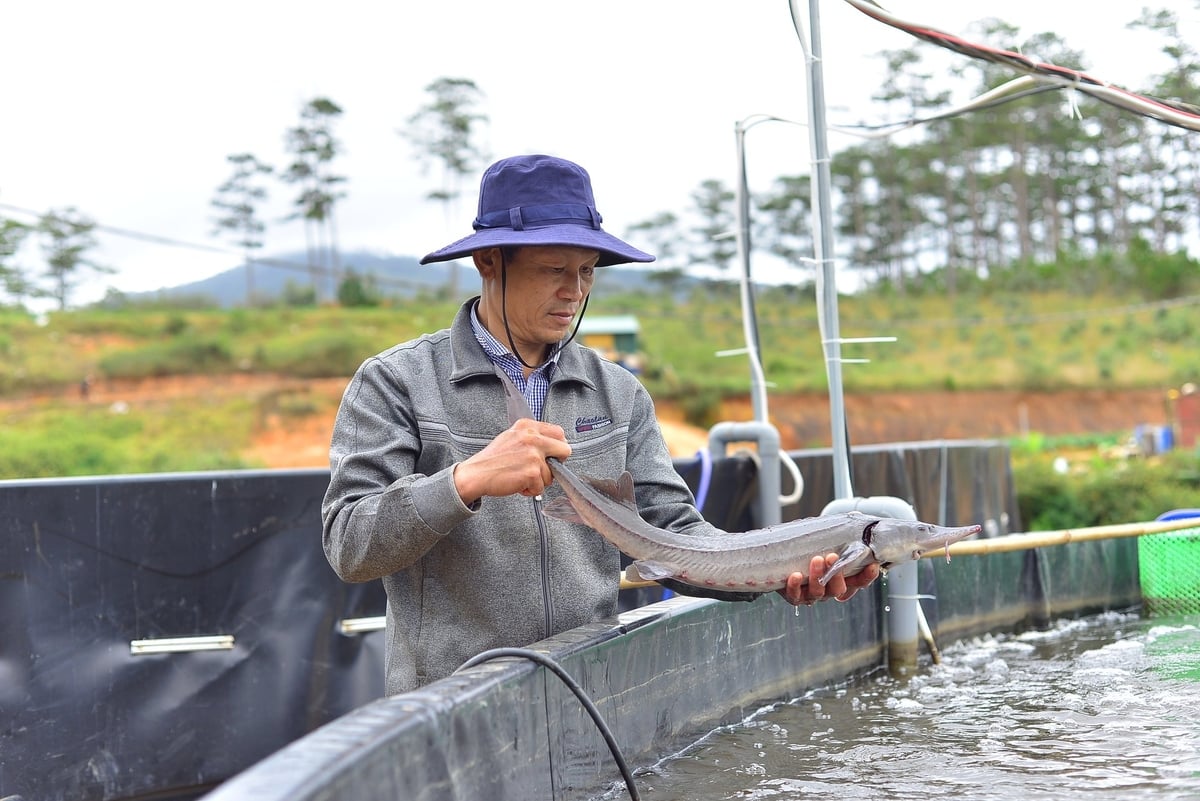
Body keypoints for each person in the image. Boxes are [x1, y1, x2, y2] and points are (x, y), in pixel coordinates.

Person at [321, 154, 880, 695]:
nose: (575, 290)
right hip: (454, 711)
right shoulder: (397, 382)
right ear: (489, 261)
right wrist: (464, 481)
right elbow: (349, 543)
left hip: (589, 700)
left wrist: (782, 571)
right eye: (553, 270)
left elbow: (673, 536)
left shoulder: (616, 391)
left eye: (586, 270)